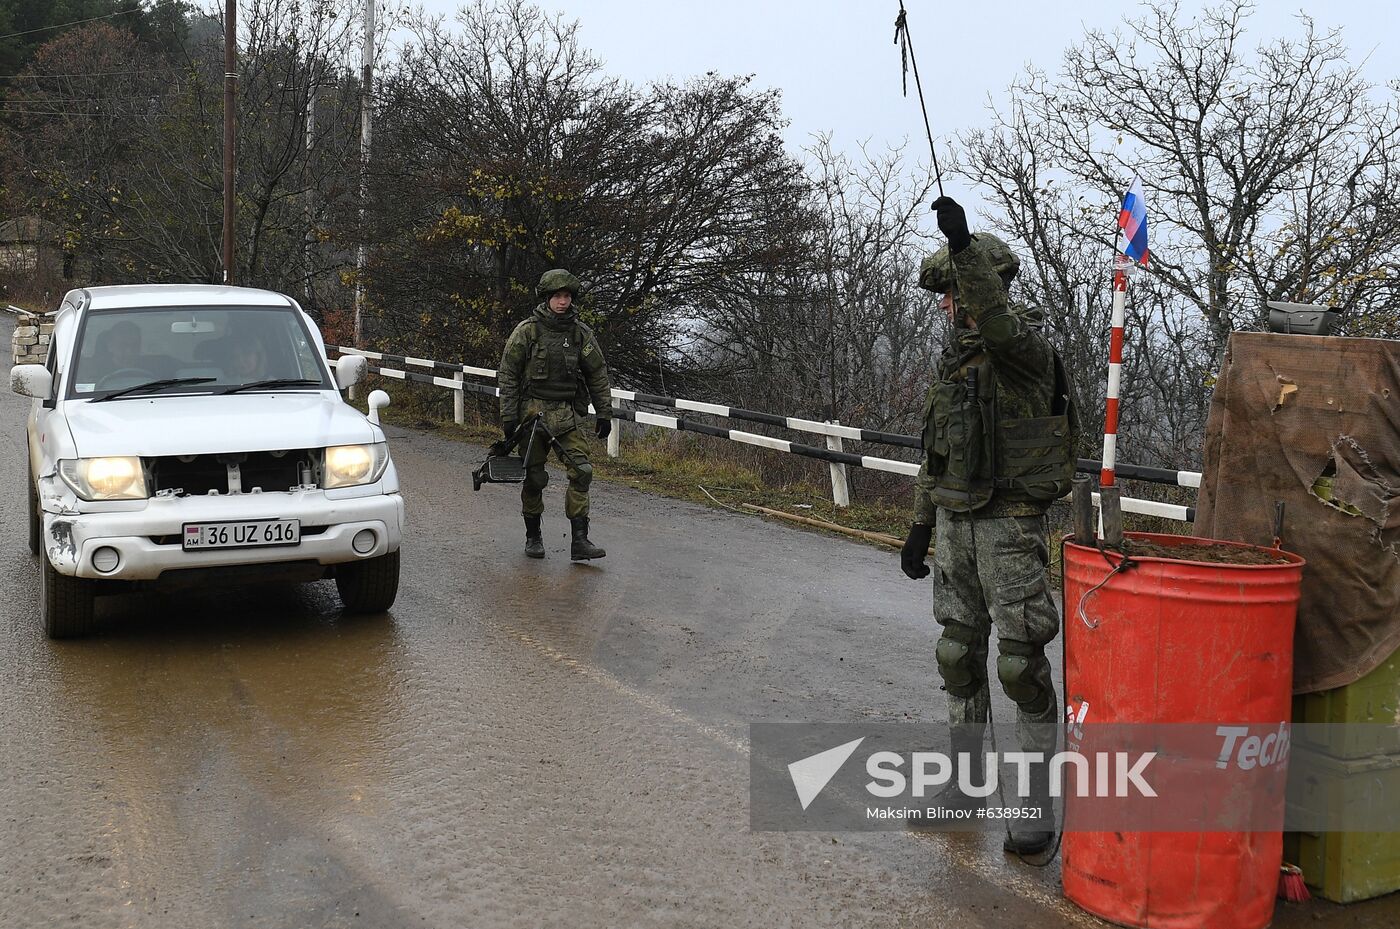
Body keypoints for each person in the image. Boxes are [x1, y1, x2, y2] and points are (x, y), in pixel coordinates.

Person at [902, 196, 1078, 855]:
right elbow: (938, 453)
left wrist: (963, 249)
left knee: (1020, 664)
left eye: (953, 293)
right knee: (957, 654)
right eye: (946, 294)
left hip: (1009, 524)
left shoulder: (1023, 352)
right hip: (956, 521)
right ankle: (965, 785)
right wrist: (921, 523)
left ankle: (1033, 804)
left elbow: (999, 327)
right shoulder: (954, 366)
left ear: (985, 288)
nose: (947, 306)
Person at [498, 268, 613, 561]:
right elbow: (508, 374)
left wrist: (604, 413)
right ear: (547, 298)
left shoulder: (580, 334)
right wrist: (509, 417)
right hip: (533, 415)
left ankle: (580, 541)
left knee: (582, 470)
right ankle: (533, 537)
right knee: (534, 477)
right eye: (558, 296)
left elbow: (597, 374)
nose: (563, 302)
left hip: (567, 415)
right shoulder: (527, 332)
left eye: (567, 296)